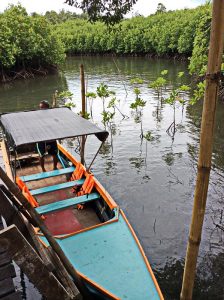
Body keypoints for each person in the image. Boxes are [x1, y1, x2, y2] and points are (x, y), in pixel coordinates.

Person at [36, 100, 58, 172]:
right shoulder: (37, 116)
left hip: (51, 139)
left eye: (43, 108)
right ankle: (43, 169)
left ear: (48, 108)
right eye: (40, 108)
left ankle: (55, 167)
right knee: (41, 155)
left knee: (55, 154)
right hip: (41, 140)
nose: (41, 110)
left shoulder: (52, 116)